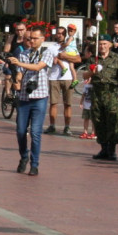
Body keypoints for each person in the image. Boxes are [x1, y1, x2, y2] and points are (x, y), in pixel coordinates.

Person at [7, 24, 53, 175]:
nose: (31, 41)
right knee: (20, 131)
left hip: (39, 97)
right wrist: (17, 80)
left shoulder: (46, 52)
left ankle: (35, 164)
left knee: (35, 132)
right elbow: (20, 72)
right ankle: (24, 156)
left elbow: (38, 67)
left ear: (42, 38)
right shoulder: (24, 53)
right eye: (30, 38)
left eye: (34, 38)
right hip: (24, 97)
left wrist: (18, 63)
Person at [89, 35, 118, 160]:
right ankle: (103, 148)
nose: (102, 46)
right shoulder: (94, 58)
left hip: (112, 93)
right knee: (98, 120)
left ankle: (112, 150)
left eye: (104, 43)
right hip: (97, 93)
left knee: (112, 121)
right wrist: (91, 71)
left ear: (109, 44)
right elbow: (85, 76)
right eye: (100, 44)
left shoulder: (116, 58)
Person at [46, 25, 81, 135]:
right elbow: (46, 61)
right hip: (54, 77)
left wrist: (63, 57)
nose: (60, 35)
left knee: (68, 104)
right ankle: (52, 125)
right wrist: (55, 60)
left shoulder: (70, 45)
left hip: (68, 78)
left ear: (65, 35)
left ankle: (67, 127)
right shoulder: (51, 47)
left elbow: (78, 59)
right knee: (53, 103)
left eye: (62, 33)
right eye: (58, 33)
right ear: (55, 34)